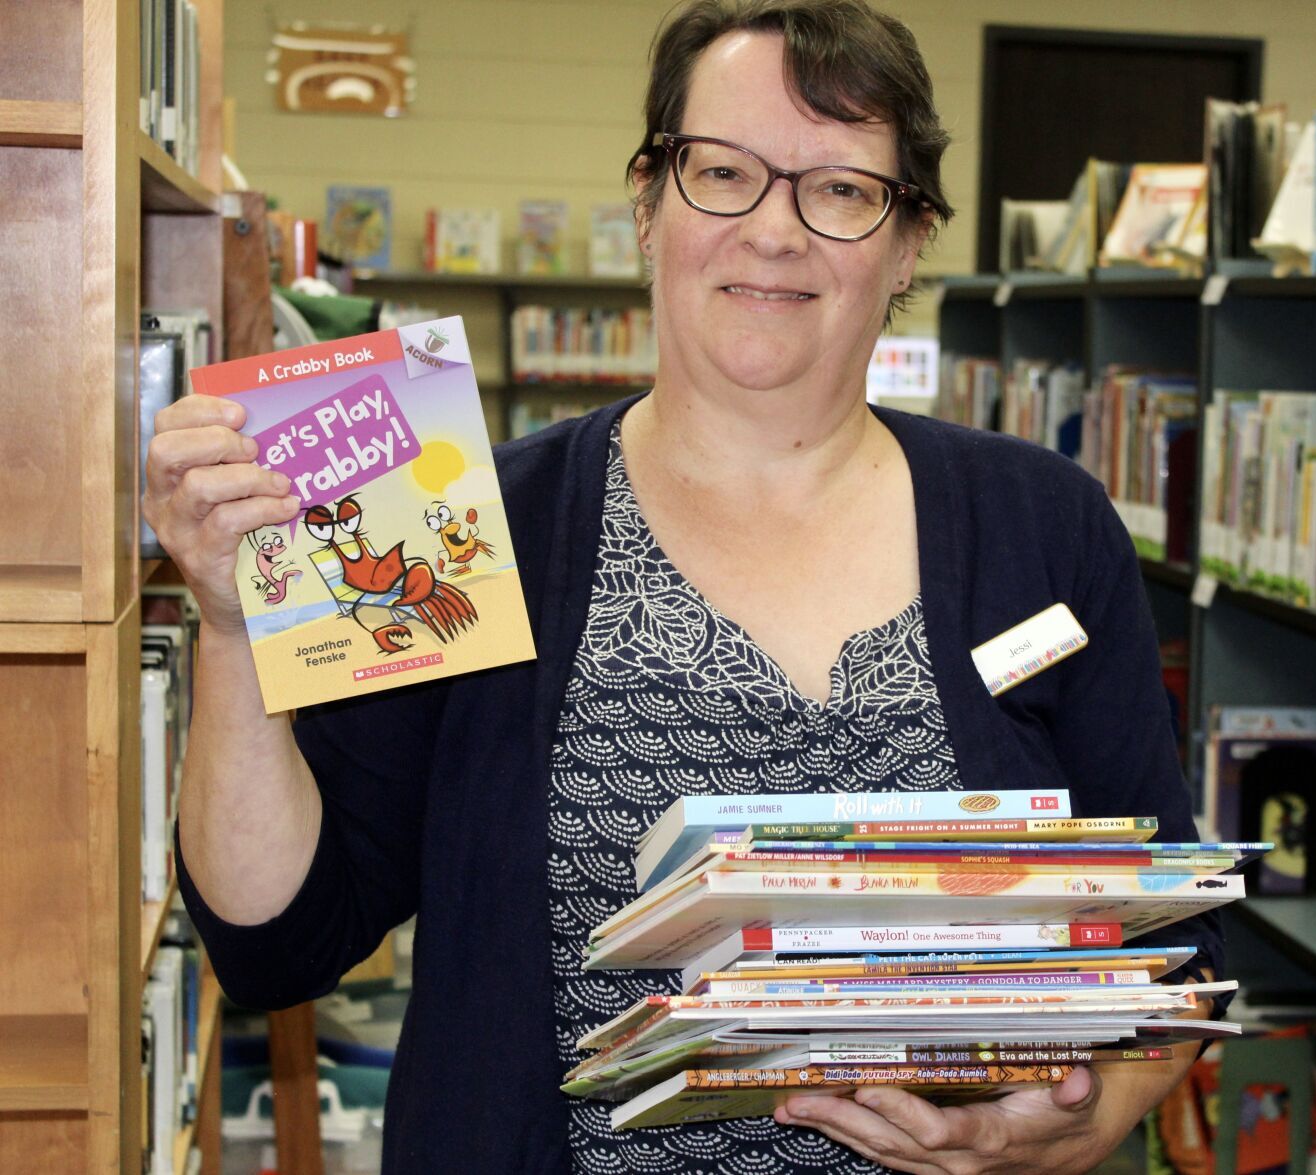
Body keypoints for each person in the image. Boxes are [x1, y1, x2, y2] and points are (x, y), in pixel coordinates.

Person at [143, 2, 1225, 1171]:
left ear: (908, 241)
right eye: (722, 172)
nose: (774, 231)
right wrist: (228, 628)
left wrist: (1077, 1126)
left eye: (842, 189)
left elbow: (1174, 935)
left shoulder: (1042, 522)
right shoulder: (468, 524)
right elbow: (280, 941)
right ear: (647, 204)